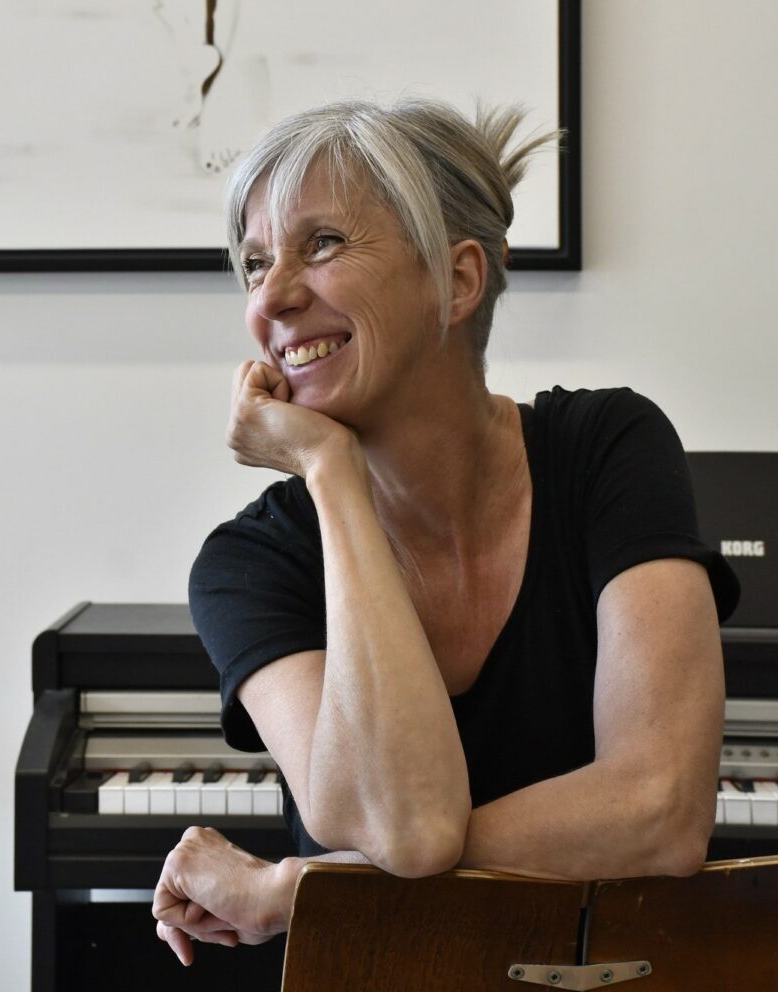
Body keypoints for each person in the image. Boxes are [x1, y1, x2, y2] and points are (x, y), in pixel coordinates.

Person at [151, 98, 740, 966]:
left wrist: (304, 885)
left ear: (457, 282)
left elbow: (661, 812)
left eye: (323, 243)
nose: (270, 297)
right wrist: (331, 474)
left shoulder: (609, 447)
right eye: (254, 263)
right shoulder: (251, 562)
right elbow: (411, 830)